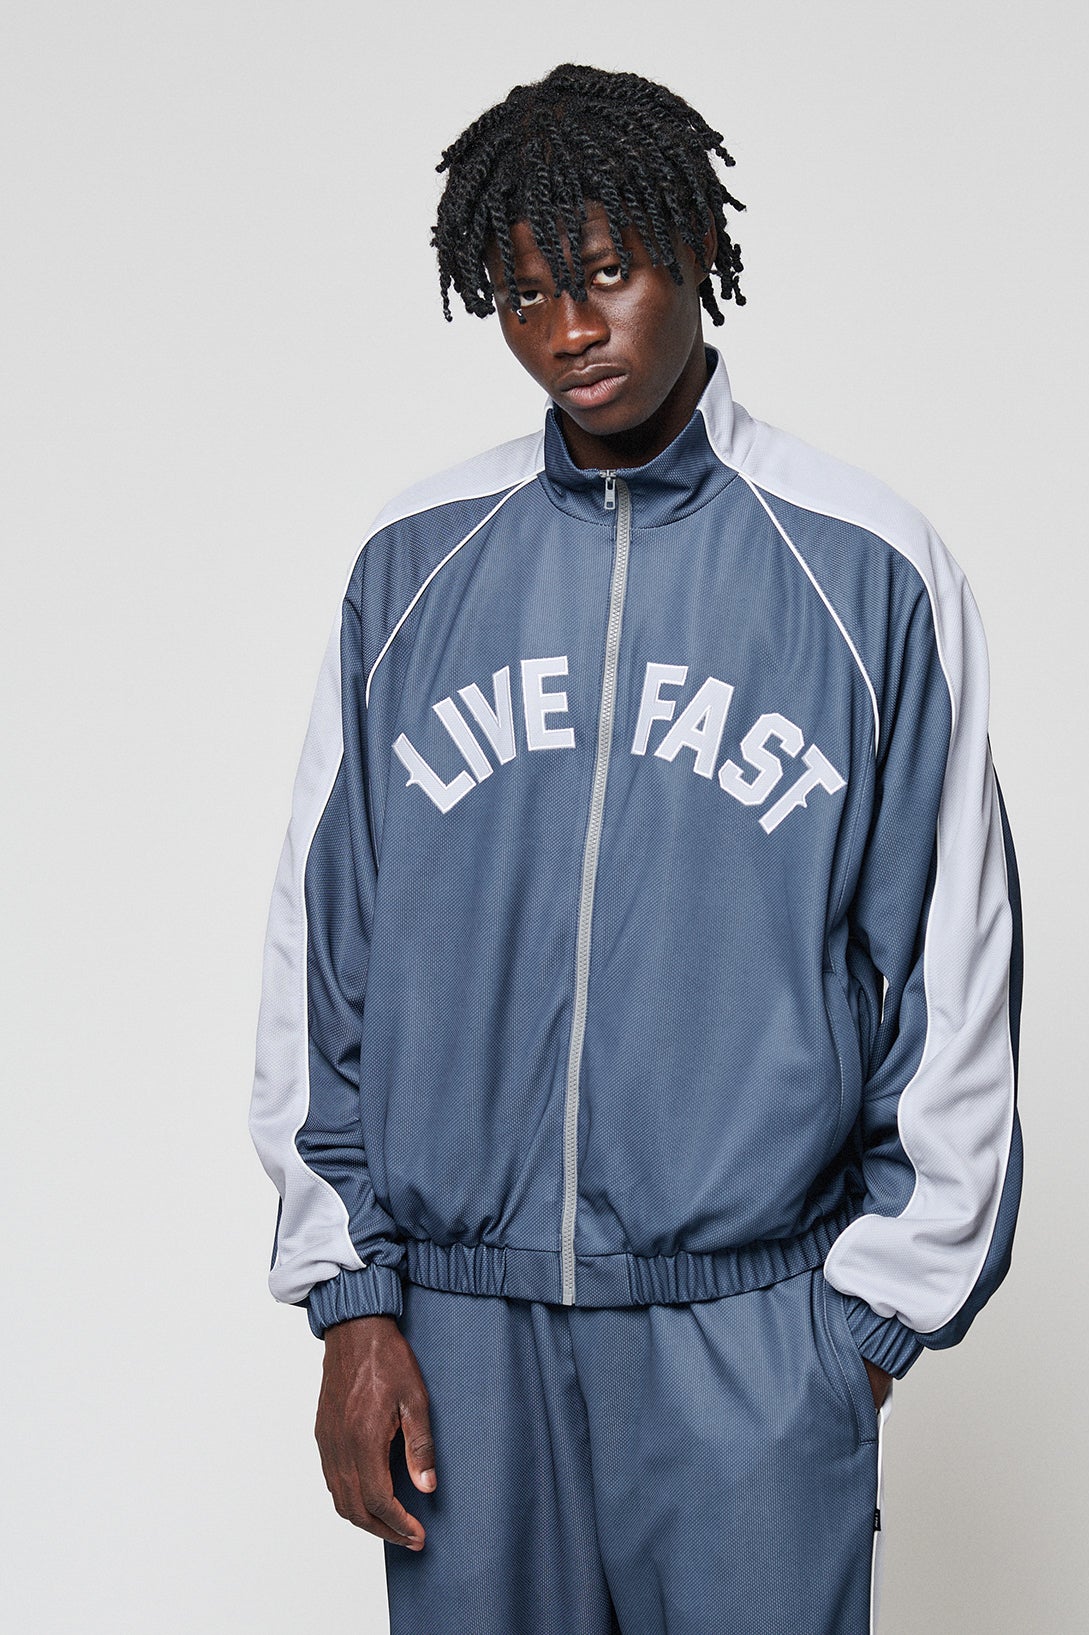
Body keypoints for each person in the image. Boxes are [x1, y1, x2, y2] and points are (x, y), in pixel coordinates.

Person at [249, 61, 1023, 1635]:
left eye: (604, 272)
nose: (567, 330)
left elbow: (952, 963)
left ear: (692, 250)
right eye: (522, 293)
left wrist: (862, 1332)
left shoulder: (865, 568)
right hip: (459, 1337)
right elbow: (322, 951)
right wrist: (352, 1303)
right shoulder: (412, 566)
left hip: (745, 1331)